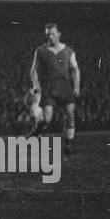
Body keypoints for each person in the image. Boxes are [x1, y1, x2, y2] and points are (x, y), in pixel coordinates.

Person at [30, 22, 80, 153]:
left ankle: (68, 146)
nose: (50, 37)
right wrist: (36, 85)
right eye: (47, 35)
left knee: (70, 115)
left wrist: (77, 86)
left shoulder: (68, 51)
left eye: (52, 34)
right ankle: (35, 133)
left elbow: (75, 69)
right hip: (49, 87)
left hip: (65, 86)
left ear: (59, 34)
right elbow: (33, 70)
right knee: (47, 118)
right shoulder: (40, 51)